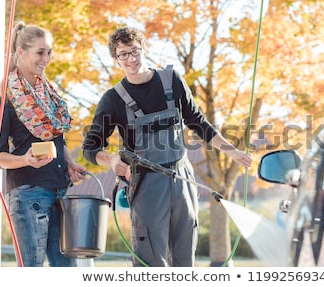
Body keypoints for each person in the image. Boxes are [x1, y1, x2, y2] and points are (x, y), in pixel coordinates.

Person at [82, 27, 252, 267]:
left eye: (135, 51)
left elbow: (198, 122)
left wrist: (231, 151)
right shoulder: (113, 99)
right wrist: (110, 160)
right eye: (123, 55)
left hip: (182, 179)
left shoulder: (171, 81)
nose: (131, 59)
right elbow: (91, 147)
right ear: (116, 59)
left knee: (184, 256)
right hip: (146, 183)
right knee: (150, 260)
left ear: (144, 49)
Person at [0, 21, 86, 267]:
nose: (47, 58)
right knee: (31, 269)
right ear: (20, 52)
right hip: (28, 192)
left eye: (49, 52)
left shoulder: (50, 95)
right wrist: (24, 160)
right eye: (40, 52)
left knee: (67, 270)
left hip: (59, 190)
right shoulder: (3, 100)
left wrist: (71, 164)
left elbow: (55, 139)